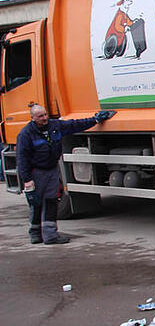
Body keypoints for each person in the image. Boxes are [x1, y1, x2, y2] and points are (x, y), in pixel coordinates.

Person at [16, 104, 116, 244]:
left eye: (45, 115)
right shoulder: (26, 134)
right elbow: (22, 158)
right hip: (36, 172)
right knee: (36, 203)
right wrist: (27, 179)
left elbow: (75, 125)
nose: (45, 118)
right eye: (40, 116)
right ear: (32, 118)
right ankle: (35, 234)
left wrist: (95, 120)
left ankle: (50, 236)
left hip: (51, 170)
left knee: (51, 202)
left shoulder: (54, 125)